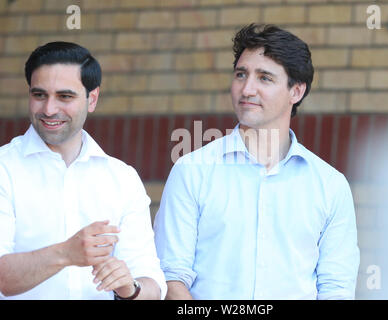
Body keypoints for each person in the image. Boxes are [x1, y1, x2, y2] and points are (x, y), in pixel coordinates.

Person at [154, 24, 359, 300]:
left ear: (296, 91)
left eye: (264, 78)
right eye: (241, 74)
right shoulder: (191, 171)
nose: (247, 89)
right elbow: (170, 276)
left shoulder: (330, 185)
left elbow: (336, 288)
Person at [0, 42, 167, 300]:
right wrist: (67, 253)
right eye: (39, 95)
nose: (49, 109)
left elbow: (151, 285)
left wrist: (129, 288)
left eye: (64, 96)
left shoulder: (122, 178)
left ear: (92, 99)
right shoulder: (4, 168)